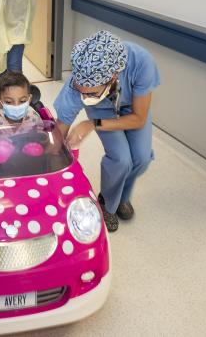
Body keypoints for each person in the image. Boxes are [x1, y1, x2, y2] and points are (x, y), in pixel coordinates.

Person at [54, 30, 160, 232]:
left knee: (142, 158)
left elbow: (138, 119)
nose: (84, 98)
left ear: (113, 77)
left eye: (91, 92)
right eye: (80, 91)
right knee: (121, 159)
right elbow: (60, 128)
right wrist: (52, 158)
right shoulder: (80, 80)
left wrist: (92, 124)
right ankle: (108, 203)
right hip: (102, 108)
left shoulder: (141, 62)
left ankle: (122, 197)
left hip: (133, 110)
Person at [0, 72, 44, 142]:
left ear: (29, 99)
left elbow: (41, 138)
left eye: (22, 101)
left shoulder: (34, 117)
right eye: (9, 102)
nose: (16, 106)